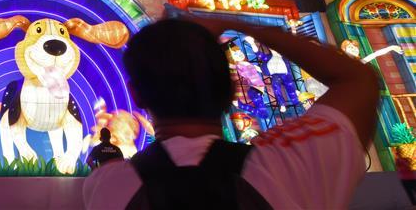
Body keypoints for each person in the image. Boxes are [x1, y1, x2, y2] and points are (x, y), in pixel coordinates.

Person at [84, 17, 380, 209]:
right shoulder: (288, 166)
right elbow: (358, 79)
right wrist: (244, 25)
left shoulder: (108, 186)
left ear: (135, 94)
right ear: (233, 87)